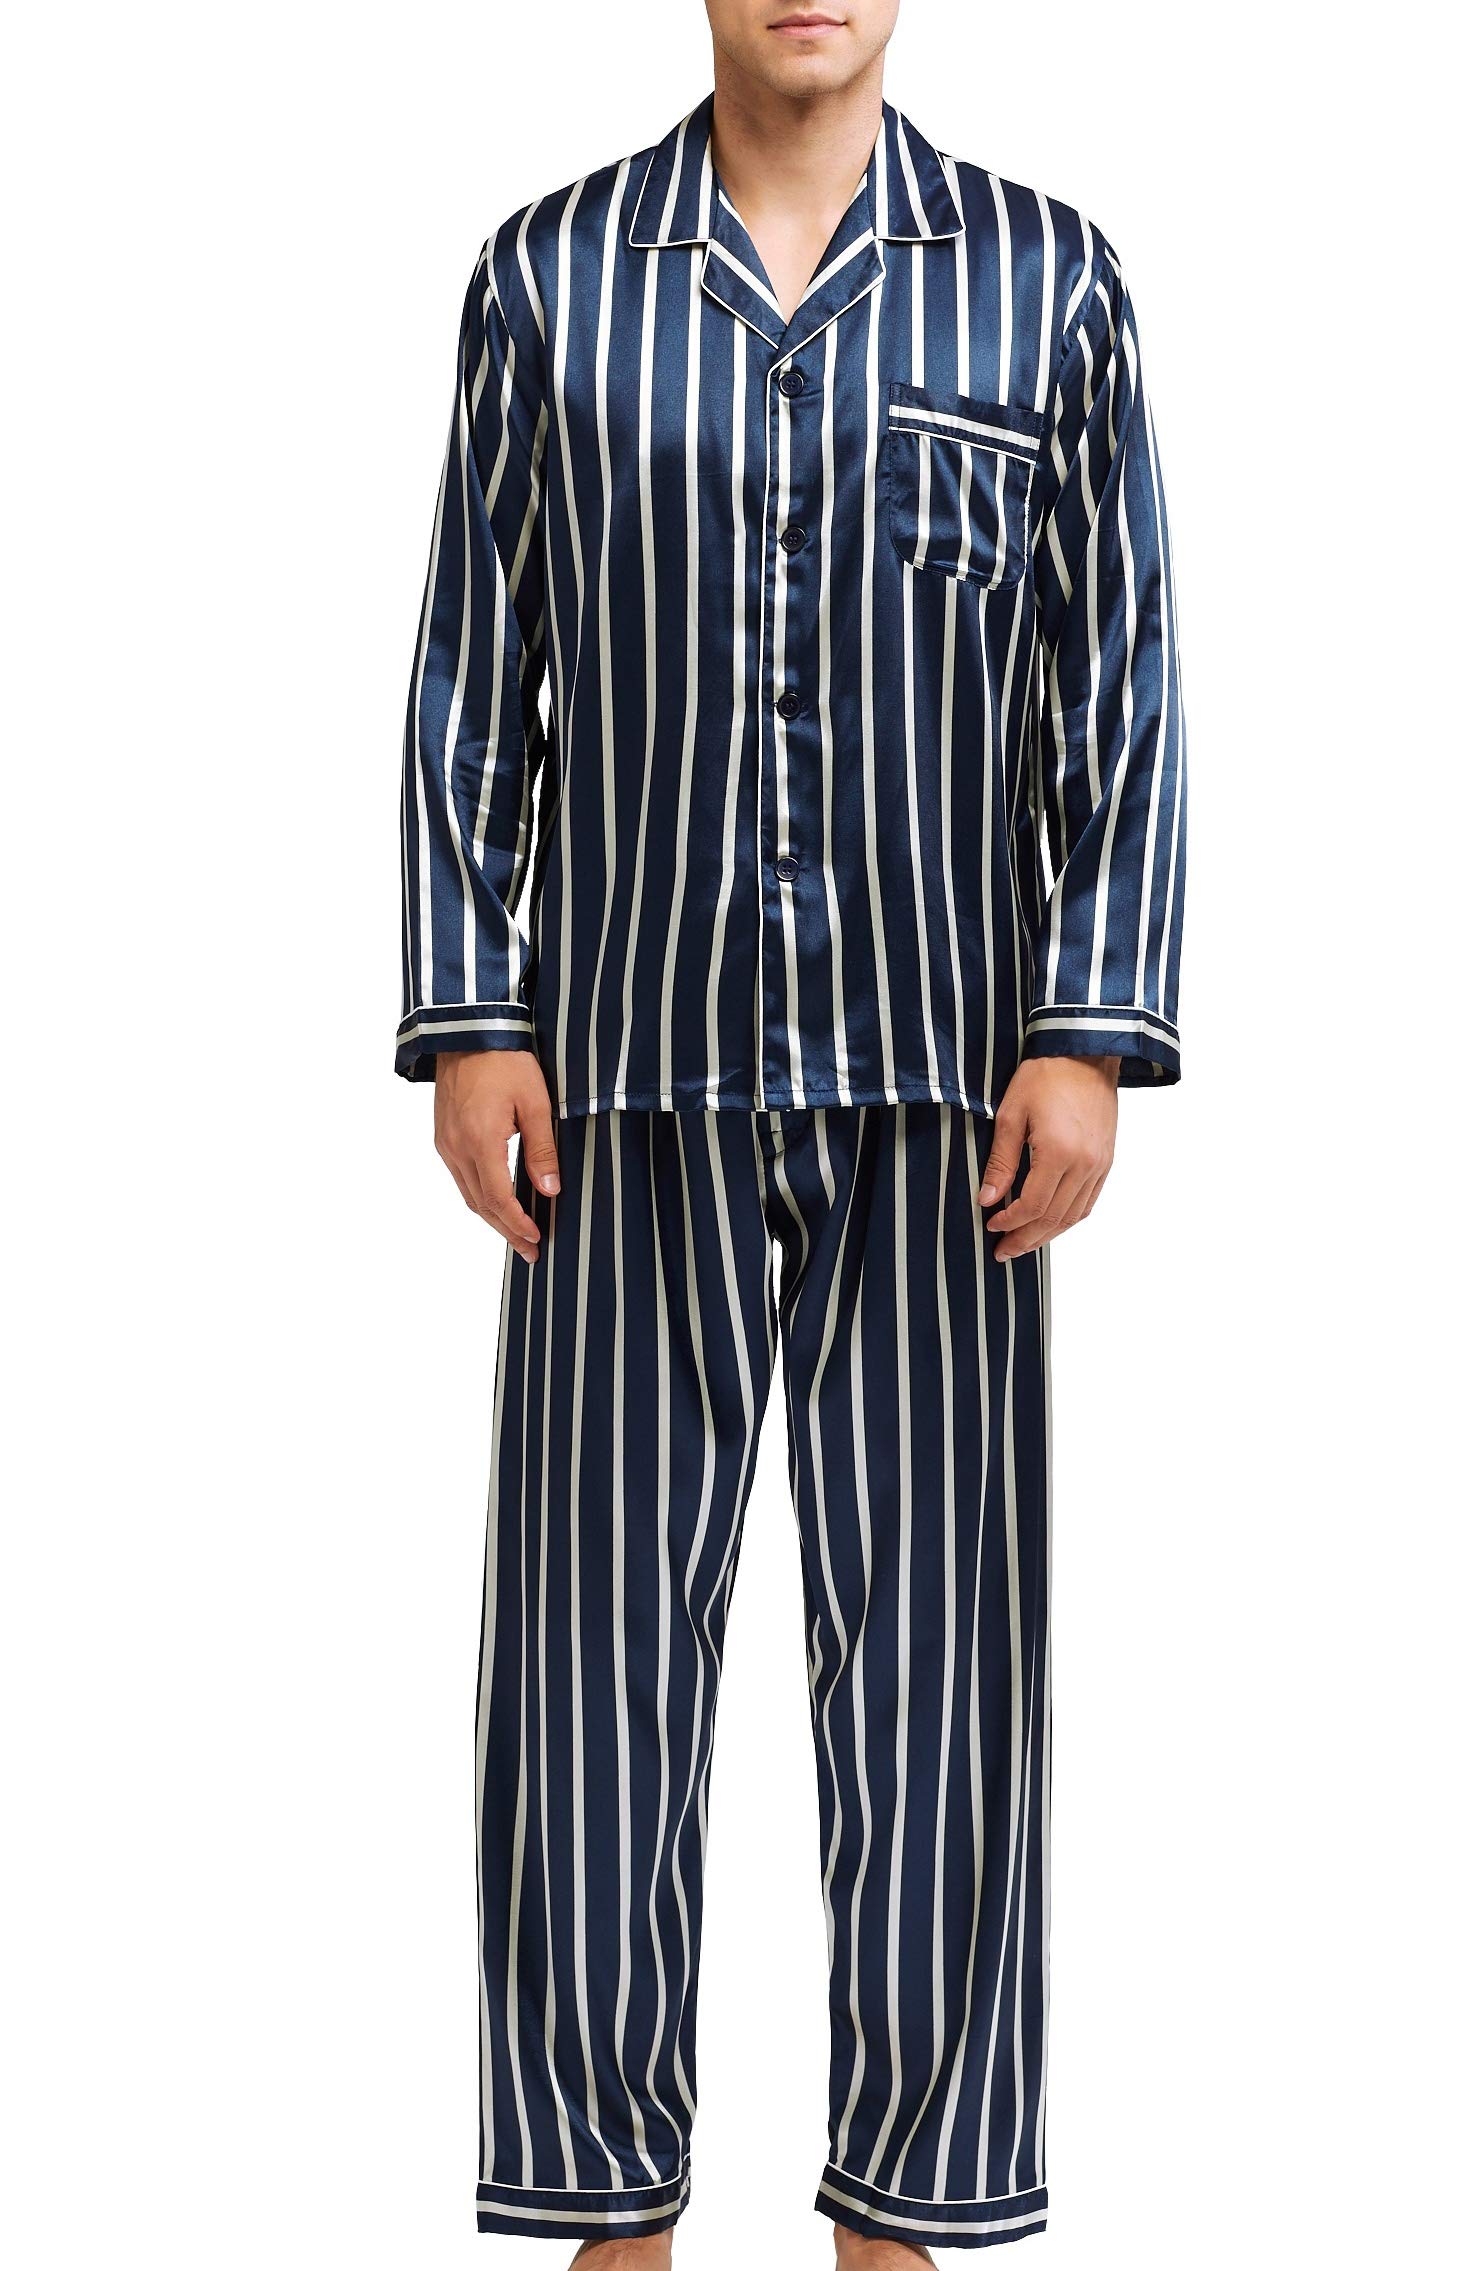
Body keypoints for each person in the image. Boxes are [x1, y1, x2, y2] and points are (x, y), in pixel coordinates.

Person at [397, 2, 1185, 2260]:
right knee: (585, 1686)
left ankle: (901, 2215)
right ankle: (606, 2212)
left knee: (941, 1688)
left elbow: (1117, 673)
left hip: (946, 1104)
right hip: (615, 1085)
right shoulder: (548, 279)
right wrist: (472, 1014)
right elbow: (471, 670)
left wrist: (1085, 1026)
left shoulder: (1044, 280)